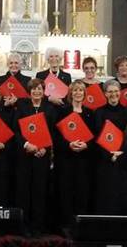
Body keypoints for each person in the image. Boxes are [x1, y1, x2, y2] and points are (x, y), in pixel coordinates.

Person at [13, 78, 57, 236]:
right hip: (25, 155)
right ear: (29, 91)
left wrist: (44, 148)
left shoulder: (50, 108)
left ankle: (38, 227)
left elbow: (54, 131)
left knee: (40, 191)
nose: (36, 92)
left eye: (39, 89)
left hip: (42, 156)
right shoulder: (22, 107)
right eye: (33, 89)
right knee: (23, 191)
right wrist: (27, 145)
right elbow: (15, 131)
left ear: (43, 90)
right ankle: (23, 226)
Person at [54, 80, 94, 229]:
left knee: (82, 192)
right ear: (70, 94)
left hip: (84, 161)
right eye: (75, 90)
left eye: (81, 90)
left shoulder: (90, 113)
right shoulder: (62, 111)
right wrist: (68, 145)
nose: (78, 93)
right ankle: (66, 226)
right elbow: (56, 136)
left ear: (85, 94)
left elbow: (95, 136)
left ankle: (80, 227)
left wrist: (86, 145)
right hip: (66, 159)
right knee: (65, 192)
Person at [92, 79, 127, 214]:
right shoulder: (98, 112)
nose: (113, 94)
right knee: (105, 191)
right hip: (104, 158)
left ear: (120, 93)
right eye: (110, 92)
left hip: (122, 157)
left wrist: (120, 153)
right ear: (105, 94)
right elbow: (97, 135)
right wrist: (110, 155)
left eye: (116, 91)